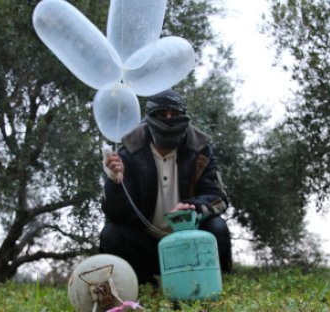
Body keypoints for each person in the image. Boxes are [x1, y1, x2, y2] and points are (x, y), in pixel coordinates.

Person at [99, 89, 232, 285]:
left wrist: (193, 207)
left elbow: (218, 197)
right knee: (110, 234)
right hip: (148, 245)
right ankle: (146, 284)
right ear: (149, 118)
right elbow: (117, 215)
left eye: (175, 115)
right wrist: (115, 183)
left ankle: (212, 281)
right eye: (161, 115)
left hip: (189, 240)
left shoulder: (200, 148)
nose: (169, 120)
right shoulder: (128, 152)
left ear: (184, 116)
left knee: (217, 227)